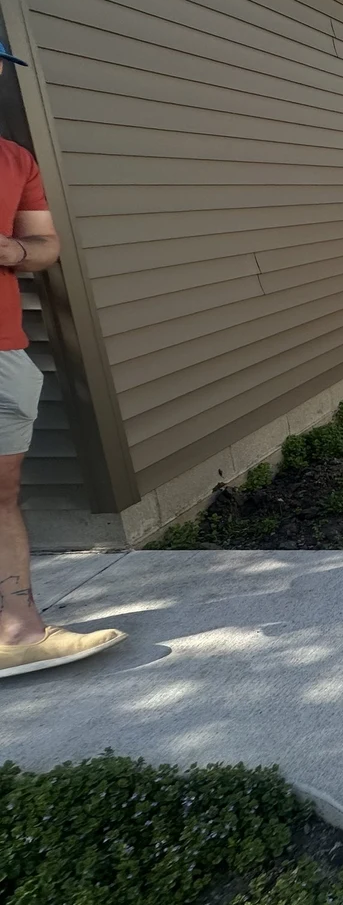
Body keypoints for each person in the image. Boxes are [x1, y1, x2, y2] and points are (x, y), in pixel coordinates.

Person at [0, 38, 124, 677]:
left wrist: (12, 252)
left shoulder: (15, 158)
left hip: (4, 351)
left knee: (3, 491)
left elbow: (44, 243)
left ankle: (20, 633)